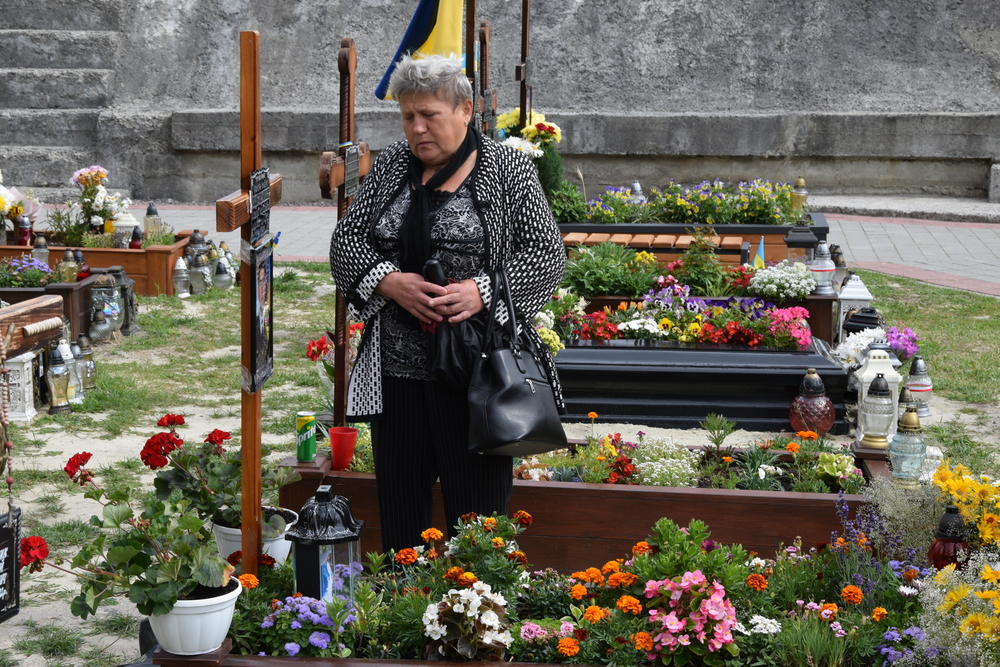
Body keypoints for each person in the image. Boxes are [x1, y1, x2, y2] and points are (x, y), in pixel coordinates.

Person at [330, 54, 565, 553]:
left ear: (464, 110)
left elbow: (546, 252)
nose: (417, 128)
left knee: (478, 519)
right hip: (397, 372)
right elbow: (346, 240)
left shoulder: (507, 169)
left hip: (478, 375)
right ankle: (404, 598)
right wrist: (389, 281)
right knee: (401, 516)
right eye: (408, 117)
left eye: (429, 115)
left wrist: (482, 292)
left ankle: (475, 600)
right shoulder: (394, 165)